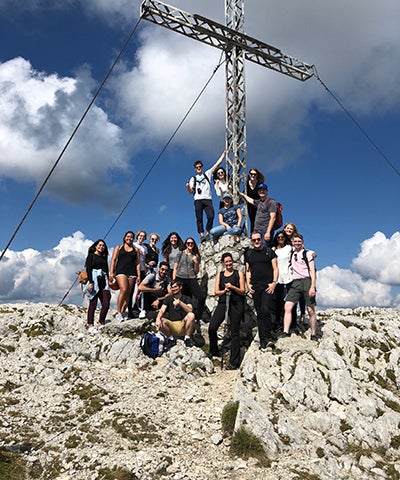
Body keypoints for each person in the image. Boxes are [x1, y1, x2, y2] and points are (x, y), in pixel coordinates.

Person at [208, 252, 245, 370]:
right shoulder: (220, 274)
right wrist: (224, 290)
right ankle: (214, 351)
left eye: (230, 261)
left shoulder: (238, 273)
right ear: (223, 263)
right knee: (212, 327)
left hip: (236, 304)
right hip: (223, 302)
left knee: (234, 332)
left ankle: (234, 362)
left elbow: (243, 291)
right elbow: (216, 291)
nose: (229, 263)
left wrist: (233, 287)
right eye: (226, 262)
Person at [245, 231, 279, 349]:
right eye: (254, 240)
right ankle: (262, 340)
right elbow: (248, 270)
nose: (256, 241)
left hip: (267, 286)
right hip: (255, 286)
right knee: (259, 313)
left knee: (265, 310)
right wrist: (248, 285)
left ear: (261, 240)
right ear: (251, 241)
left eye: (258, 239)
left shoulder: (269, 252)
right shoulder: (249, 254)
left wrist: (274, 283)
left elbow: (275, 268)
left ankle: (268, 336)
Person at [281, 234, 318, 340]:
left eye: (299, 241)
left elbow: (312, 271)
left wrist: (312, 286)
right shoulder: (291, 253)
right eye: (295, 241)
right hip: (295, 282)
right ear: (292, 242)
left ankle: (314, 333)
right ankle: (286, 331)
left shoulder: (308, 253)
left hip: (307, 281)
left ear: (302, 242)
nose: (297, 243)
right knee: (287, 306)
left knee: (310, 309)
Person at [186, 149, 227, 242]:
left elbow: (217, 164)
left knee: (211, 216)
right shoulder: (193, 178)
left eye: (200, 166)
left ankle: (208, 233)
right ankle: (201, 235)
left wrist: (223, 154)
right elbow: (190, 191)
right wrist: (188, 187)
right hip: (198, 200)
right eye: (197, 167)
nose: (199, 168)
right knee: (199, 218)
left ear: (202, 167)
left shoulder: (207, 174)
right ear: (195, 169)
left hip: (207, 199)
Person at [172, 237, 206, 322]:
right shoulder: (180, 253)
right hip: (180, 278)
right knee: (183, 299)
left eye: (192, 243)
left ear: (194, 245)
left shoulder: (195, 255)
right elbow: (175, 267)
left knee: (201, 297)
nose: (190, 244)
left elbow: (196, 271)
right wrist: (174, 281)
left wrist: (196, 263)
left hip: (191, 278)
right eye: (188, 243)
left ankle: (198, 317)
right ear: (185, 245)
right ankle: (181, 318)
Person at [109, 231, 140, 322]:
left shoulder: (136, 250)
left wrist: (138, 275)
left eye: (131, 237)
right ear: (124, 237)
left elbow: (137, 263)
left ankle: (123, 312)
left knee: (128, 294)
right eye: (128, 236)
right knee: (123, 289)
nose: (129, 238)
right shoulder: (119, 247)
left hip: (132, 272)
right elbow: (114, 260)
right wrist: (111, 272)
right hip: (120, 271)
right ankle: (118, 312)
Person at [156, 280, 196, 348]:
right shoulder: (168, 299)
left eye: (175, 287)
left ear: (180, 287)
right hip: (172, 325)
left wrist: (180, 302)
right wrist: (158, 318)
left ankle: (187, 338)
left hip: (183, 324)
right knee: (161, 320)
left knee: (191, 315)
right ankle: (171, 339)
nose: (174, 289)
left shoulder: (186, 298)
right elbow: (162, 310)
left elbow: (190, 310)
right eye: (172, 287)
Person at [84, 239, 111, 334]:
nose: (101, 247)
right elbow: (88, 269)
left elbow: (106, 271)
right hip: (94, 281)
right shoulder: (91, 256)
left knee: (106, 303)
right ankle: (90, 325)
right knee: (93, 304)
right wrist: (91, 282)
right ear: (95, 246)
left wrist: (109, 280)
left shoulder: (104, 258)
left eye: (103, 246)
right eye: (99, 245)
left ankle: (100, 322)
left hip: (103, 282)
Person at [272, 231, 293, 331]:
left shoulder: (289, 248)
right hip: (278, 278)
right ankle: (278, 321)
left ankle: (292, 323)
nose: (280, 239)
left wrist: (311, 254)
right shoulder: (273, 250)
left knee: (291, 301)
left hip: (289, 276)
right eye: (279, 237)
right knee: (278, 301)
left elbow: (300, 251)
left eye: (282, 237)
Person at [133, 230, 148, 318]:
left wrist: (145, 271)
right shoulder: (134, 245)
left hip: (142, 270)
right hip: (134, 269)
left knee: (141, 290)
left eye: (143, 236)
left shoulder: (144, 248)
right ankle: (132, 307)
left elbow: (144, 260)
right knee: (134, 290)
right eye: (140, 236)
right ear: (137, 236)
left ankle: (141, 308)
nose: (141, 237)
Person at [245, 168, 265, 233]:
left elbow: (263, 194)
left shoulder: (259, 183)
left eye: (254, 174)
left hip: (258, 204)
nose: (253, 176)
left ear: (257, 175)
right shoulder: (246, 184)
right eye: (251, 174)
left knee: (259, 220)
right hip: (250, 205)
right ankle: (252, 235)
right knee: (252, 220)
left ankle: (260, 235)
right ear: (249, 175)